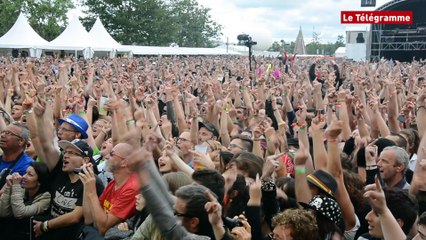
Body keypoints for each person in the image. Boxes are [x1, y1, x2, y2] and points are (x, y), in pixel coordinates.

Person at [32, 139, 104, 240]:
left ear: (85, 160)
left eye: (71, 153)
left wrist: (45, 225)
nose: (65, 155)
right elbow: (41, 142)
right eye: (65, 152)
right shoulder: (60, 172)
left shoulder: (92, 182)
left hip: (71, 235)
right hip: (51, 232)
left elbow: (75, 217)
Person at [80, 143, 140, 237]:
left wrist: (92, 191)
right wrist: (86, 185)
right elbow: (89, 219)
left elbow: (103, 229)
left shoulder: (132, 188)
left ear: (124, 163)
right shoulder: (114, 182)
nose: (107, 157)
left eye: (112, 154)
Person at [0, 162, 51, 240]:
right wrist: (8, 186)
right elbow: (3, 212)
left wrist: (16, 185)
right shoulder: (23, 190)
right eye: (25, 173)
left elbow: (19, 213)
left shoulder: (46, 198)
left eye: (30, 174)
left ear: (39, 182)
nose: (23, 176)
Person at [0, 122, 33, 190]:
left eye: (8, 133)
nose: (2, 135)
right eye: (2, 132)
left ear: (21, 141)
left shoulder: (27, 167)